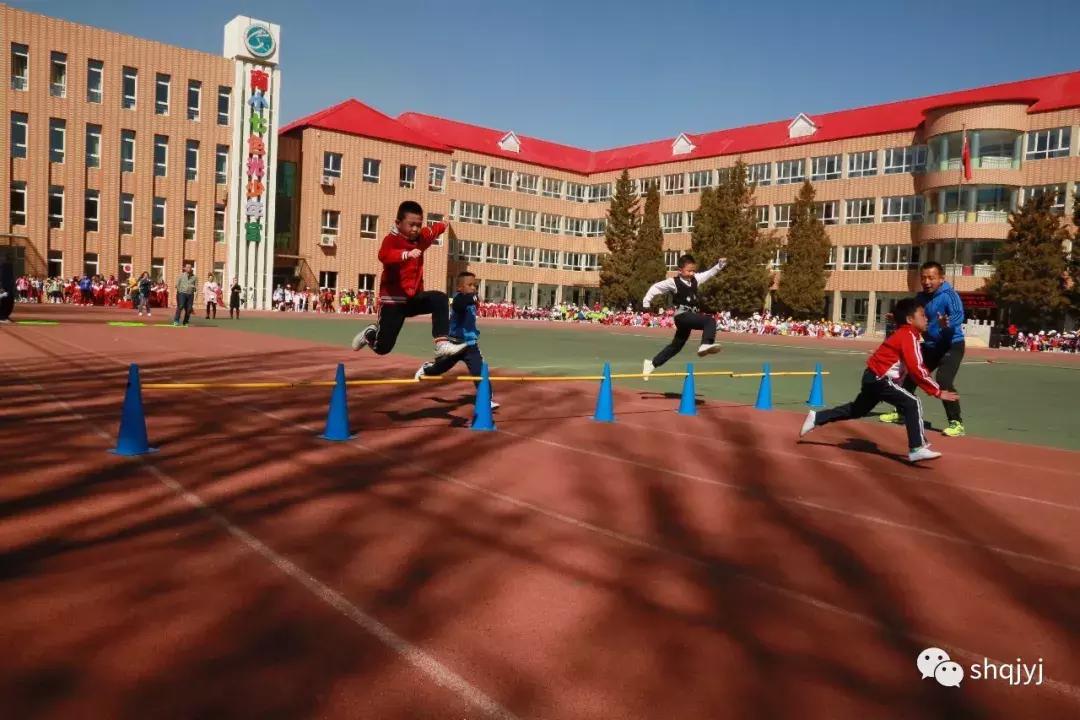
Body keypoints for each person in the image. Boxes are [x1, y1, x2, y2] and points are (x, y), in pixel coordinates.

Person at [799, 298, 959, 463]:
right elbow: (916, 368)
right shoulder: (908, 336)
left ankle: (817, 418)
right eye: (923, 315)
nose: (927, 318)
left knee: (857, 410)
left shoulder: (907, 332)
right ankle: (917, 447)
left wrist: (936, 324)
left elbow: (922, 328)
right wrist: (937, 392)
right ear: (910, 319)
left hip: (872, 377)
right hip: (879, 378)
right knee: (912, 403)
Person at [351, 201, 466, 359]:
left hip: (413, 298)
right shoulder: (391, 240)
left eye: (418, 225)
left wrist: (444, 224)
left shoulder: (421, 237)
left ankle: (441, 344)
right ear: (398, 223)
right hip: (393, 301)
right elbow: (384, 255)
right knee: (383, 348)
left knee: (440, 299)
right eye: (411, 225)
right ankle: (370, 333)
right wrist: (405, 254)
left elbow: (433, 231)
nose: (415, 229)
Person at [880, 261, 966, 437]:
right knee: (911, 375)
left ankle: (956, 423)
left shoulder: (950, 295)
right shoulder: (920, 298)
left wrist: (948, 322)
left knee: (944, 380)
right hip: (930, 346)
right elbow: (910, 315)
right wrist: (897, 318)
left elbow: (958, 314)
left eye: (931, 278)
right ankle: (901, 412)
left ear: (941, 278)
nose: (927, 281)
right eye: (923, 278)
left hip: (952, 345)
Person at [413, 271, 499, 410]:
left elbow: (471, 302)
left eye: (475, 285)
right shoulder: (459, 300)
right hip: (453, 344)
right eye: (469, 285)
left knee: (480, 371)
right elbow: (460, 304)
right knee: (439, 369)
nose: (473, 288)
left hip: (470, 345)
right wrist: (474, 298)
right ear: (460, 288)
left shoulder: (471, 300)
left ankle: (486, 399)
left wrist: (474, 299)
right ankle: (426, 369)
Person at [640, 253, 727, 380]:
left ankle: (652, 364)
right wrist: (646, 306)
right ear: (680, 270)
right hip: (682, 315)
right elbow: (655, 288)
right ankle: (706, 343)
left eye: (693, 270)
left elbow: (709, 273)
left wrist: (719, 265)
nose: (692, 273)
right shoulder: (673, 282)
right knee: (709, 321)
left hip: (690, 315)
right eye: (689, 271)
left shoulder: (695, 279)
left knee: (676, 346)